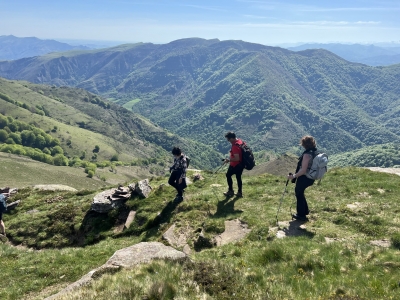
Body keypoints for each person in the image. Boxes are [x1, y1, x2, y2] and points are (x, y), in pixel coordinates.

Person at [287, 135, 318, 221]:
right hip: (312, 177)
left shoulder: (307, 155)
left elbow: (303, 170)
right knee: (301, 193)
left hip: (305, 178)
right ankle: (305, 211)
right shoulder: (315, 152)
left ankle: (301, 215)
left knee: (299, 193)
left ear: (304, 144)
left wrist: (293, 176)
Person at [223, 131, 244, 197]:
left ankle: (230, 191)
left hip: (235, 165)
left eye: (228, 139)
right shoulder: (240, 142)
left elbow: (236, 158)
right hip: (241, 164)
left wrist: (228, 160)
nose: (228, 141)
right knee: (238, 177)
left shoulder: (235, 146)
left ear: (231, 138)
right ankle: (240, 192)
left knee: (228, 175)